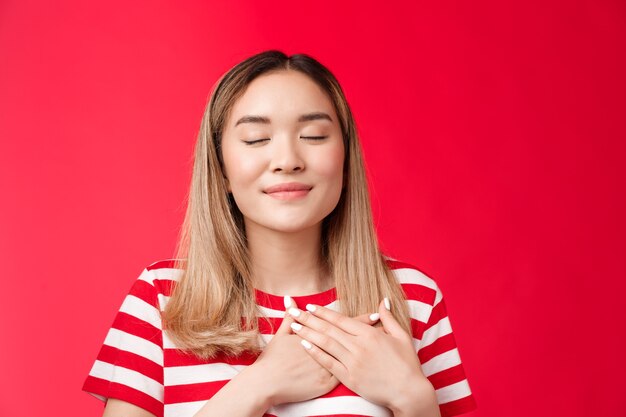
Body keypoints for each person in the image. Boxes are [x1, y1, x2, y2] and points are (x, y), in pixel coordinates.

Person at [82, 50, 477, 417]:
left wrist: (416, 400)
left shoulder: (412, 299)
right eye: (256, 139)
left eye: (314, 136)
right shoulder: (161, 298)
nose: (287, 160)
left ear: (345, 157)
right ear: (220, 168)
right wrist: (256, 388)